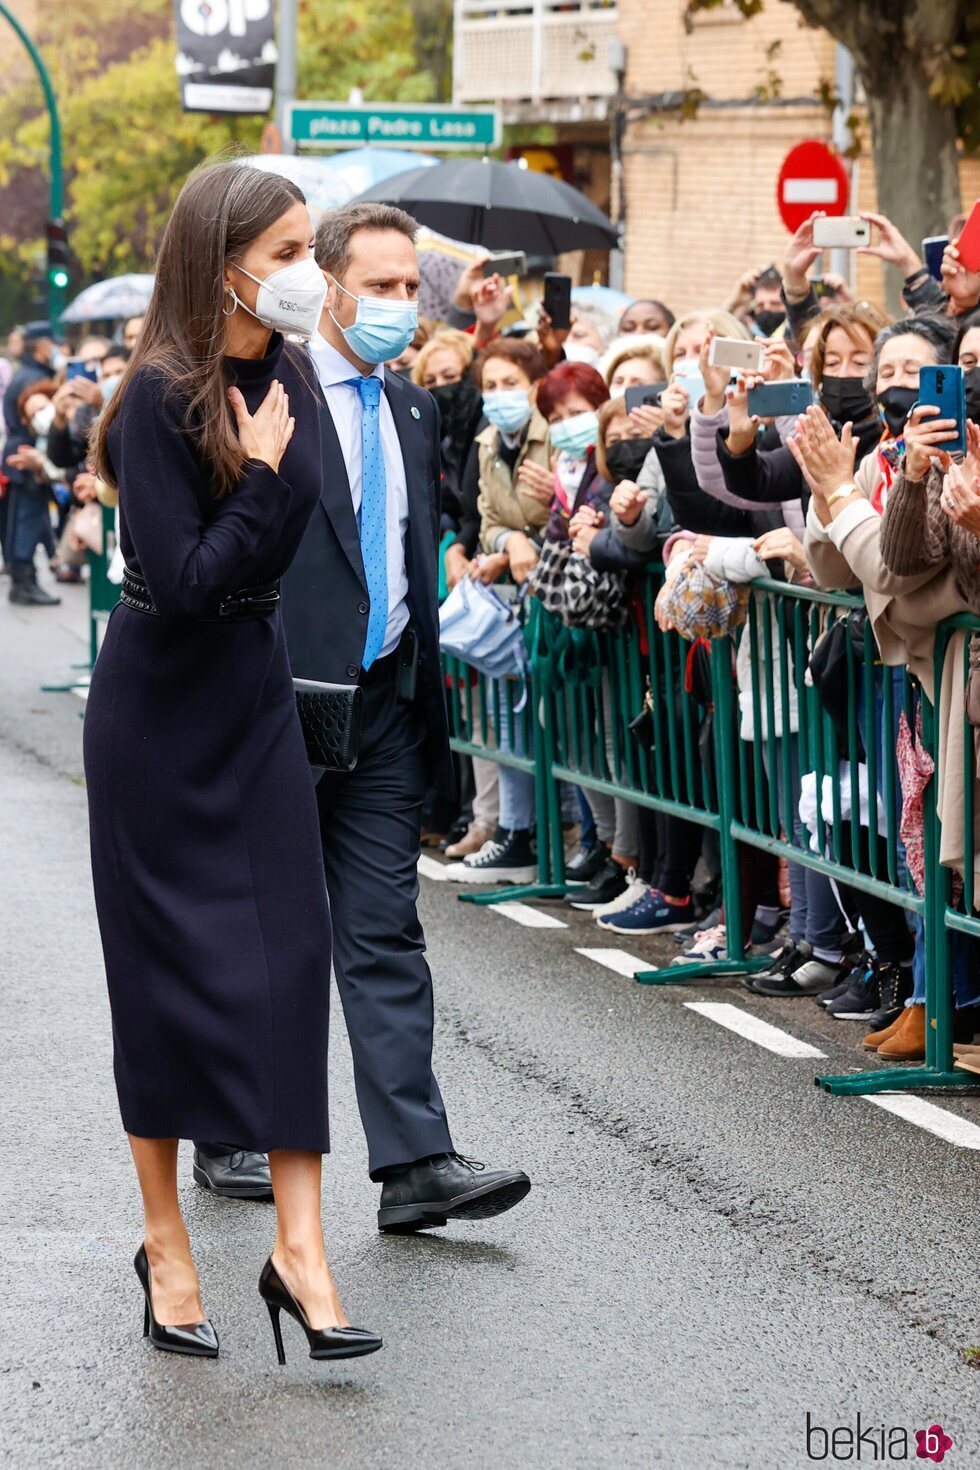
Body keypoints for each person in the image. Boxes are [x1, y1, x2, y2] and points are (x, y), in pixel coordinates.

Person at [85, 160, 380, 1363]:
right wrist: (256, 474)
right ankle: (167, 1245)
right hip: (157, 717)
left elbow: (277, 552)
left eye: (315, 246)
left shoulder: (298, 372)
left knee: (287, 958)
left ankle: (300, 1253)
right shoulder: (153, 398)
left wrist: (268, 480)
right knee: (160, 981)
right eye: (294, 248)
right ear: (225, 262)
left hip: (254, 703)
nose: (311, 271)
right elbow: (189, 584)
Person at [199, 200, 531, 1232]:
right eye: (379, 287)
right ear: (327, 286)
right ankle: (232, 1124)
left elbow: (407, 545)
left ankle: (415, 1160)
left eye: (407, 289)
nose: (397, 306)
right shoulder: (259, 392)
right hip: (279, 699)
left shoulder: (412, 407)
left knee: (385, 930)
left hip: (386, 704)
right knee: (265, 926)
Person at [3, 320, 63, 605]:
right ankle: (24, 583)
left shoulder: (29, 372)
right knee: (27, 521)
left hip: (22, 456)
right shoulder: (32, 379)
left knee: (25, 520)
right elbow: (44, 420)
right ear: (43, 346)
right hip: (27, 458)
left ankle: (24, 581)